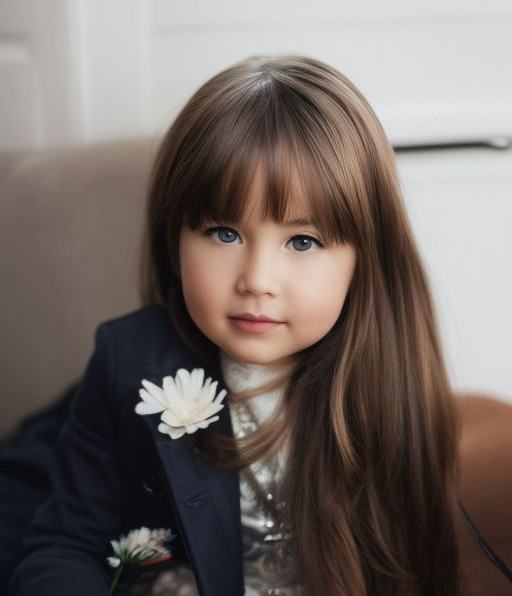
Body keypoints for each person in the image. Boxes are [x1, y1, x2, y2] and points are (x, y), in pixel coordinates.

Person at [7, 56, 508, 596]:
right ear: (174, 238)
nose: (257, 280)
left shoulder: (393, 385)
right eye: (224, 233)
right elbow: (63, 544)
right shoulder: (128, 361)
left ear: (365, 262)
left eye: (303, 242)